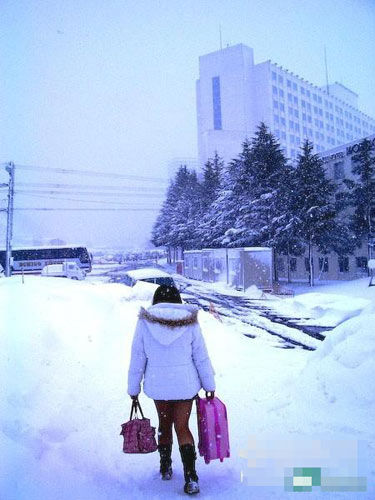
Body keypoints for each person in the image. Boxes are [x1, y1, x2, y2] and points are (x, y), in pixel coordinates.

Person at [127, 285, 215, 495]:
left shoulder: (145, 322)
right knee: (182, 427)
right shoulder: (190, 321)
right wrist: (209, 385)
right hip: (184, 386)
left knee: (164, 425)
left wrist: (133, 387)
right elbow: (200, 356)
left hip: (159, 385)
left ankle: (165, 467)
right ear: (178, 300)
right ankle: (191, 477)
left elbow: (138, 356)